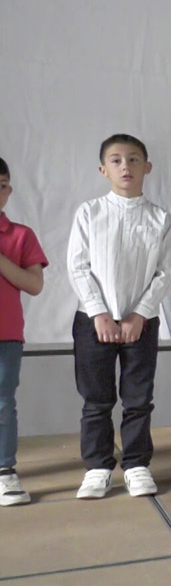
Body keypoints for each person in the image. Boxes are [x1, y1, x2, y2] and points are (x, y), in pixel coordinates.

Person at [67, 134, 171, 498]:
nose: (125, 166)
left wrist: (140, 315)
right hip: (92, 320)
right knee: (97, 399)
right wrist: (99, 312)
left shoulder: (159, 218)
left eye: (133, 159)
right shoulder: (89, 212)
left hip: (140, 323)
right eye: (115, 160)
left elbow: (165, 273)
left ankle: (136, 464)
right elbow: (78, 266)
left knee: (138, 397)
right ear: (103, 170)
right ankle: (97, 467)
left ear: (147, 167)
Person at [0, 157, 48, 507]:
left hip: (6, 333)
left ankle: (4, 471)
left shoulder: (20, 235)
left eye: (1, 185)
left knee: (3, 402)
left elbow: (34, 284)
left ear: (9, 190)